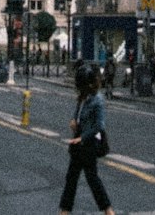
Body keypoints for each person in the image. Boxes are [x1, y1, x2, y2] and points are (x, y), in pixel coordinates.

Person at [59, 62, 116, 215]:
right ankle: (64, 212)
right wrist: (74, 121)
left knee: (92, 180)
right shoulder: (83, 97)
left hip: (88, 144)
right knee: (72, 179)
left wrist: (82, 137)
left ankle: (108, 211)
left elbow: (99, 126)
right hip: (78, 142)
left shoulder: (97, 100)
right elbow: (77, 114)